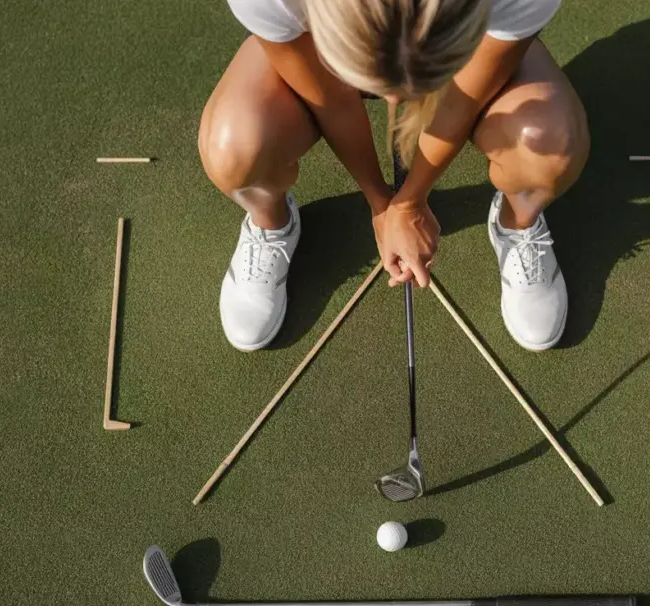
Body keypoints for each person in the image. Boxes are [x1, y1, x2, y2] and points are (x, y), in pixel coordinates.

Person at [200, 0, 589, 352]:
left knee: (551, 143)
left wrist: (410, 199)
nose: (393, 104)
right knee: (233, 147)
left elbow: (460, 102)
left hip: (479, 45)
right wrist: (379, 201)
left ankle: (517, 221)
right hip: (309, 44)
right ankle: (271, 224)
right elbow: (332, 100)